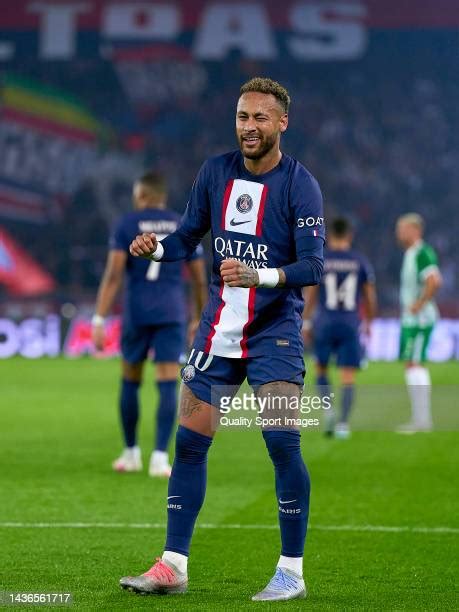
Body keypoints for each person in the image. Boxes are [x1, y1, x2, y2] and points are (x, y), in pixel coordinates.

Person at [121, 77, 325, 602]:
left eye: (260, 118)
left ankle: (291, 572)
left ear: (282, 123)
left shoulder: (301, 185)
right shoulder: (214, 172)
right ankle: (173, 564)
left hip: (274, 332)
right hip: (217, 330)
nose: (249, 127)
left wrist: (262, 277)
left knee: (282, 441)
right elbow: (188, 238)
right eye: (242, 117)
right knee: (189, 444)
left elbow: (312, 266)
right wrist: (156, 249)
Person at [92, 171, 207, 477]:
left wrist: (99, 318)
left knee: (131, 379)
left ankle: (131, 453)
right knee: (168, 381)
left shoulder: (127, 225)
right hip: (171, 314)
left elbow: (114, 275)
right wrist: (199, 317)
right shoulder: (182, 225)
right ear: (163, 196)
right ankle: (159, 458)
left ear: (141, 195)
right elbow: (198, 277)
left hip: (137, 312)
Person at [303, 217, 377, 439]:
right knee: (347, 376)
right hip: (349, 323)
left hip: (324, 323)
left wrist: (305, 322)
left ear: (329, 235)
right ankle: (343, 424)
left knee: (321, 370)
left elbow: (311, 294)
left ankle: (328, 411)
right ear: (350, 235)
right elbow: (370, 297)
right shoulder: (360, 261)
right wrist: (370, 321)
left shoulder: (321, 260)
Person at [395, 213, 442, 433]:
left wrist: (419, 303)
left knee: (415, 364)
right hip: (411, 318)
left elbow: (434, 280)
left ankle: (423, 420)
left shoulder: (423, 252)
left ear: (415, 230)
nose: (398, 233)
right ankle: (420, 418)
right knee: (411, 364)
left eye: (402, 229)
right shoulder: (411, 253)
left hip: (420, 319)